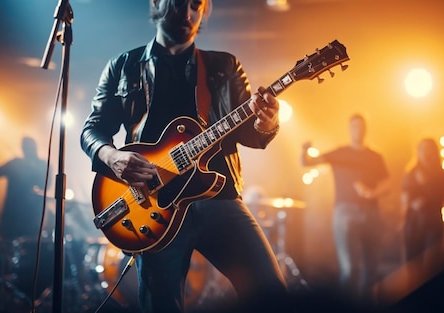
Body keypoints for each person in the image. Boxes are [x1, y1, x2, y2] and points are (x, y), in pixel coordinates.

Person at [79, 1, 289, 312]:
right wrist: (111, 157)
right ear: (156, 3)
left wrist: (266, 121)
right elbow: (93, 129)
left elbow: (249, 134)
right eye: (178, 1)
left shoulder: (224, 65)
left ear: (205, 10)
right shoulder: (124, 65)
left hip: (219, 198)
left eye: (195, 4)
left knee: (272, 297)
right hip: (152, 204)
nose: (186, 11)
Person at [300, 113, 391, 304]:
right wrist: (304, 149)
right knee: (350, 269)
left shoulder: (375, 156)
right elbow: (306, 163)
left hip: (372, 214)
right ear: (350, 129)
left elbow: (388, 183)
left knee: (372, 268)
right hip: (345, 214)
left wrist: (371, 193)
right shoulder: (340, 153)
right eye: (354, 126)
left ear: (365, 129)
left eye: (361, 126)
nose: (358, 130)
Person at [0, 136, 50, 301]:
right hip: (16, 217)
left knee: (29, 254)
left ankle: (24, 288)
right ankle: (10, 287)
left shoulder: (33, 164)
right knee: (8, 252)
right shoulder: (19, 164)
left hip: (30, 218)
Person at [400, 138, 444, 277]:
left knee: (431, 267)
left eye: (429, 149)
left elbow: (437, 196)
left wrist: (425, 184)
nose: (426, 152)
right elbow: (405, 197)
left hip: (433, 224)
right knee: (413, 268)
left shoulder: (440, 174)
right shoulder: (410, 173)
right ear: (418, 152)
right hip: (412, 225)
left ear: (434, 152)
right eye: (422, 149)